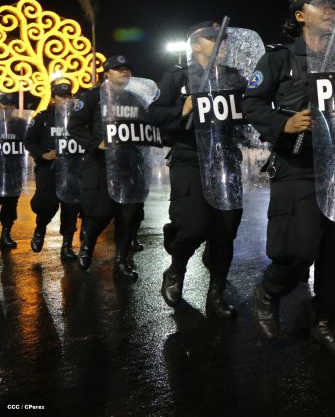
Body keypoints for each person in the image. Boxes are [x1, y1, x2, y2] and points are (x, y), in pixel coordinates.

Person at [242, 0, 335, 356]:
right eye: (322, 5)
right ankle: (269, 292)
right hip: (297, 165)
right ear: (299, 16)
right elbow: (251, 102)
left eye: (334, 6)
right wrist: (283, 123)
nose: (330, 10)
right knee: (298, 248)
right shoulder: (279, 59)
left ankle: (324, 321)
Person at [148, 21, 244, 317]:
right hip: (190, 157)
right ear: (195, 44)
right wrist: (183, 109)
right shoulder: (178, 77)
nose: (222, 43)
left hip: (226, 159)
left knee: (225, 231)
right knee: (194, 225)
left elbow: (251, 110)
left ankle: (216, 293)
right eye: (213, 38)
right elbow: (155, 113)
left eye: (223, 39)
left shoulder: (234, 77)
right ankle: (175, 270)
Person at [67, 55, 151, 281]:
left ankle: (121, 261)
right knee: (100, 212)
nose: (124, 72)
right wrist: (97, 144)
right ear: (106, 73)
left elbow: (147, 127)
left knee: (127, 216)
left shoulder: (135, 98)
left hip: (129, 165)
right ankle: (88, 243)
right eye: (118, 69)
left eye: (127, 69)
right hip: (100, 163)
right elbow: (74, 126)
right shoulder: (93, 97)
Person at [24, 82, 84, 259]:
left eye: (68, 96)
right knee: (47, 205)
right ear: (53, 98)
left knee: (71, 206)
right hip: (49, 169)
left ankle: (67, 245)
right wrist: (43, 155)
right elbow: (29, 141)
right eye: (61, 96)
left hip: (73, 168)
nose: (65, 100)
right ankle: (40, 228)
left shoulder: (78, 119)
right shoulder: (43, 117)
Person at [0, 92, 26, 249]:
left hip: (13, 171)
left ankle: (5, 234)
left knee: (10, 204)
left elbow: (29, 143)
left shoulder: (21, 123)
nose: (8, 108)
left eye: (10, 105)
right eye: (4, 105)